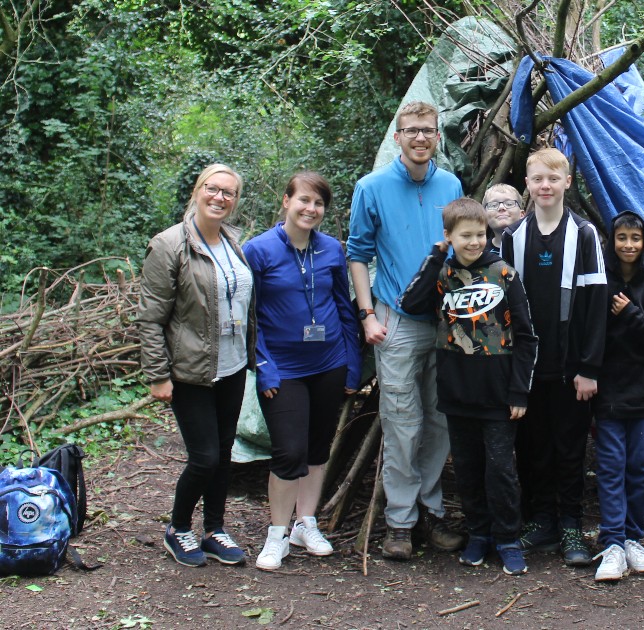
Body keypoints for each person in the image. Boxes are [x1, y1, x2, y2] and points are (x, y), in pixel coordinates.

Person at [348, 101, 467, 561]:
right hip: (395, 320)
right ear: (397, 136)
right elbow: (358, 254)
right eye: (412, 130)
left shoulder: (450, 184)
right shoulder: (371, 187)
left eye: (428, 131)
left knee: (439, 421)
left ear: (438, 136)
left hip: (446, 322)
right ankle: (400, 521)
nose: (420, 138)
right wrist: (368, 315)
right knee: (402, 424)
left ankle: (431, 512)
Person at [399, 198, 538, 576]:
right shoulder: (442, 276)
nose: (475, 242)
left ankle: (507, 538)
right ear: (449, 236)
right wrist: (435, 257)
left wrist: (518, 391)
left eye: (480, 234)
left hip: (498, 394)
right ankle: (478, 534)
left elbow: (526, 337)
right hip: (457, 392)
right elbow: (410, 302)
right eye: (465, 236)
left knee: (500, 469)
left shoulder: (504, 273)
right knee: (467, 468)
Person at [137, 163, 255, 567]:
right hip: (190, 369)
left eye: (229, 193)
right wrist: (157, 374)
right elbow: (151, 317)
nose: (220, 198)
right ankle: (178, 528)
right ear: (198, 190)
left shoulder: (233, 241)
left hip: (233, 364)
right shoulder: (169, 245)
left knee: (223, 453)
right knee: (203, 456)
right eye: (214, 189)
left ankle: (215, 530)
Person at [242, 172, 361, 571]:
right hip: (282, 368)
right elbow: (248, 316)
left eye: (319, 204)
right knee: (288, 450)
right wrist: (263, 366)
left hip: (329, 363)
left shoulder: (331, 249)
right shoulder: (258, 250)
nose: (311, 209)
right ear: (286, 201)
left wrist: (351, 365)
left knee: (316, 448)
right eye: (304, 200)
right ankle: (277, 533)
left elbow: (345, 309)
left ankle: (305, 523)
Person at [500, 147, 608, 566]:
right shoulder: (513, 238)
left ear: (566, 183)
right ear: (527, 185)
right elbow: (503, 306)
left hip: (570, 367)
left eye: (553, 178)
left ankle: (570, 525)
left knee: (569, 446)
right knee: (531, 445)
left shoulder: (584, 235)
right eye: (537, 179)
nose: (545, 186)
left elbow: (596, 304)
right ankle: (539, 520)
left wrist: (588, 367)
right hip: (526, 369)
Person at [591, 211, 644, 582]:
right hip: (608, 391)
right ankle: (611, 542)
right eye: (621, 238)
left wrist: (630, 313)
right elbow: (590, 335)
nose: (628, 245)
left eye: (635, 239)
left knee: (640, 468)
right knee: (610, 466)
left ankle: (632, 537)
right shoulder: (598, 283)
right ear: (612, 241)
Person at [482, 184, 524, 255]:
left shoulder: (532, 247)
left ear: (522, 214)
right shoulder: (479, 252)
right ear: (484, 216)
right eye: (493, 205)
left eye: (509, 204)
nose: (501, 207)